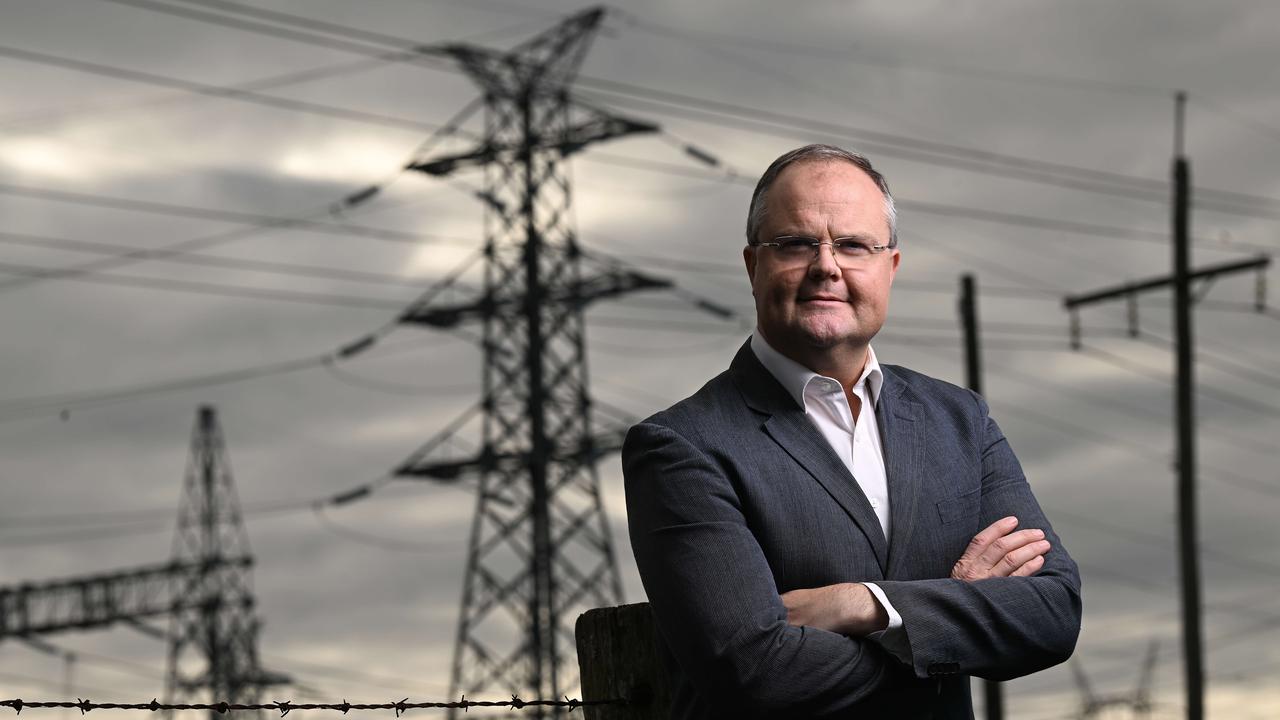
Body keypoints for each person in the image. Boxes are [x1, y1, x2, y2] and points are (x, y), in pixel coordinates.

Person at [622, 144, 1081, 719]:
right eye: (795, 244)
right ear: (752, 266)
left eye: (853, 245)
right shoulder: (683, 446)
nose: (826, 266)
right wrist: (956, 620)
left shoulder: (958, 420)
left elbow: (1054, 613)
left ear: (889, 267)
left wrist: (865, 606)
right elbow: (755, 672)